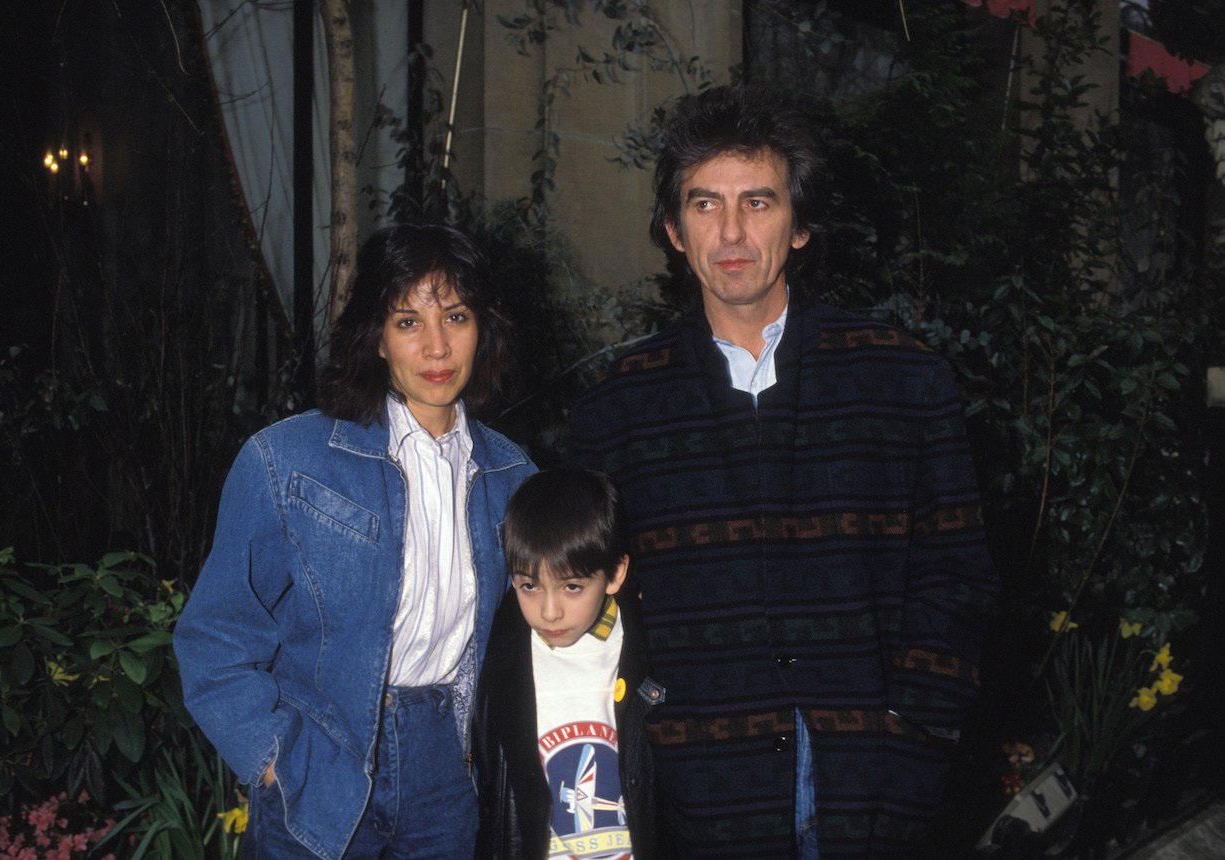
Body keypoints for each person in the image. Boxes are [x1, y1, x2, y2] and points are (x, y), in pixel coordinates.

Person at [568, 85, 999, 858]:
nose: (732, 232)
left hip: (873, 786)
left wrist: (920, 728)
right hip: (699, 792)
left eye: (759, 203)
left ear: (799, 225)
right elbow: (593, 598)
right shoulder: (617, 406)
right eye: (706, 205)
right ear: (673, 229)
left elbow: (956, 569)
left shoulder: (903, 380)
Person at [174, 223, 537, 860]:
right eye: (407, 322)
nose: (436, 345)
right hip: (320, 761)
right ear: (375, 337)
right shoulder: (286, 460)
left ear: (484, 328)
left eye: (455, 315)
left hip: (448, 775)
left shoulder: (513, 478)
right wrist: (272, 759)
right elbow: (216, 634)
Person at [473, 468, 663, 859]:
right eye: (529, 586)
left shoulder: (649, 654)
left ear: (615, 574)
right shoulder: (500, 663)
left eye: (572, 587)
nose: (549, 611)